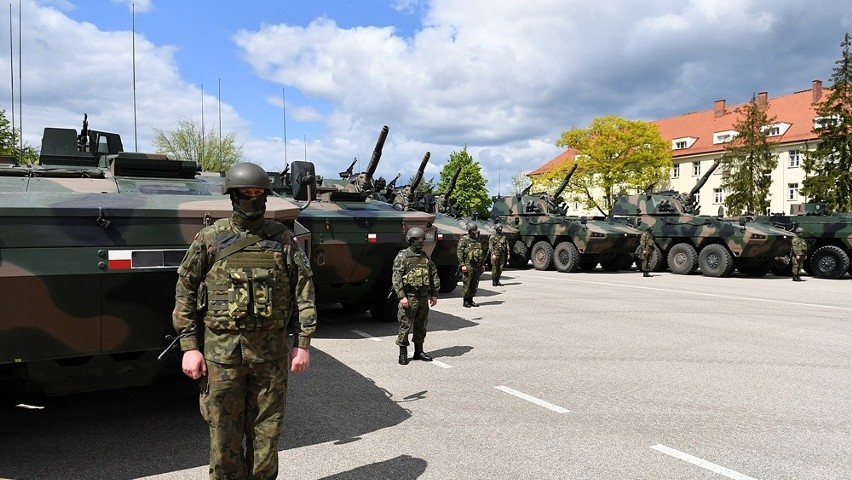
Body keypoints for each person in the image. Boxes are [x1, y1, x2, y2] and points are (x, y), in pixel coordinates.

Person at [173, 162, 317, 480]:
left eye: (258, 193)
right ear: (233, 196)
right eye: (245, 193)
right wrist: (189, 346)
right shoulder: (210, 238)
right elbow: (185, 291)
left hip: (271, 356)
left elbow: (303, 291)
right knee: (224, 437)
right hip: (222, 355)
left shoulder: (283, 239)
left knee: (267, 435)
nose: (253, 198)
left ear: (266, 196)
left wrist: (303, 343)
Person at [392, 226, 440, 365]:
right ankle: (403, 353)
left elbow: (433, 275)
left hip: (423, 297)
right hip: (409, 296)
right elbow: (396, 278)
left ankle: (419, 351)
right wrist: (402, 297)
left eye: (422, 239)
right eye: (417, 239)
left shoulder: (425, 257)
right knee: (405, 325)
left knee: (421, 325)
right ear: (410, 240)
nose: (421, 242)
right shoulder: (403, 256)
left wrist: (434, 293)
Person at [458, 221, 485, 307]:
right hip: (468, 264)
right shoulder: (464, 239)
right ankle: (465, 300)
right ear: (469, 230)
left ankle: (471, 299)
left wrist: (482, 265)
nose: (475, 232)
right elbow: (459, 252)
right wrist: (462, 265)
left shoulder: (477, 240)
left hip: (477, 265)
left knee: (475, 283)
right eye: (474, 230)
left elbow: (481, 253)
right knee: (467, 283)